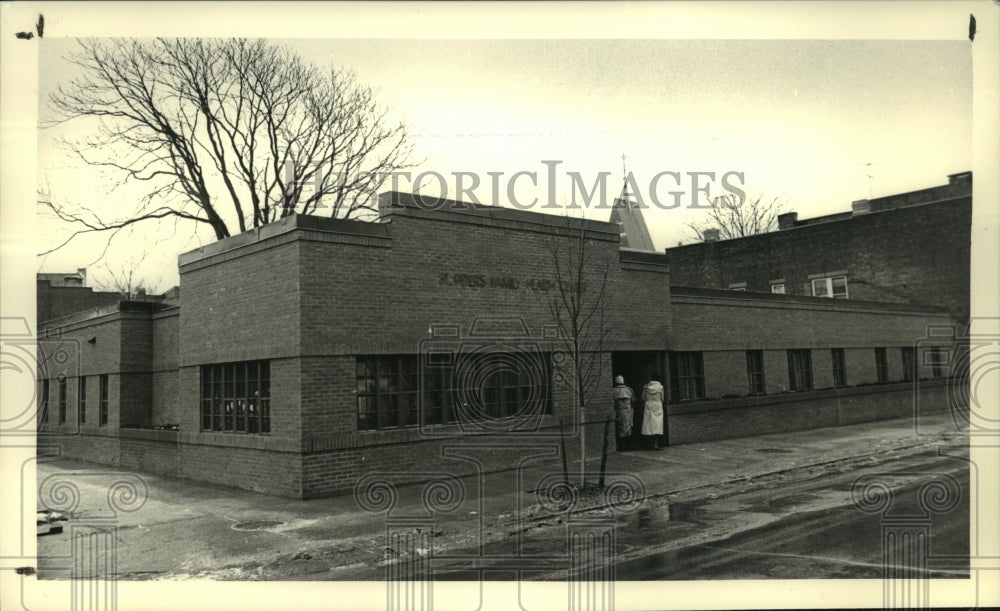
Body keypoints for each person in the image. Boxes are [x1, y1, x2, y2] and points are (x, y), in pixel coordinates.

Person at [641, 373, 665, 450]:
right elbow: (662, 399)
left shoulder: (646, 387)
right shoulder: (660, 387)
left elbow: (643, 398)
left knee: (649, 424)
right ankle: (655, 443)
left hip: (648, 405)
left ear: (651, 378)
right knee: (657, 424)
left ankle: (650, 443)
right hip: (657, 405)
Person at [611, 375, 634, 451]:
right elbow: (633, 400)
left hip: (619, 411)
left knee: (620, 427)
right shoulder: (629, 389)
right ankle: (628, 444)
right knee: (628, 426)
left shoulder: (614, 390)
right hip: (628, 411)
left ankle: (622, 445)